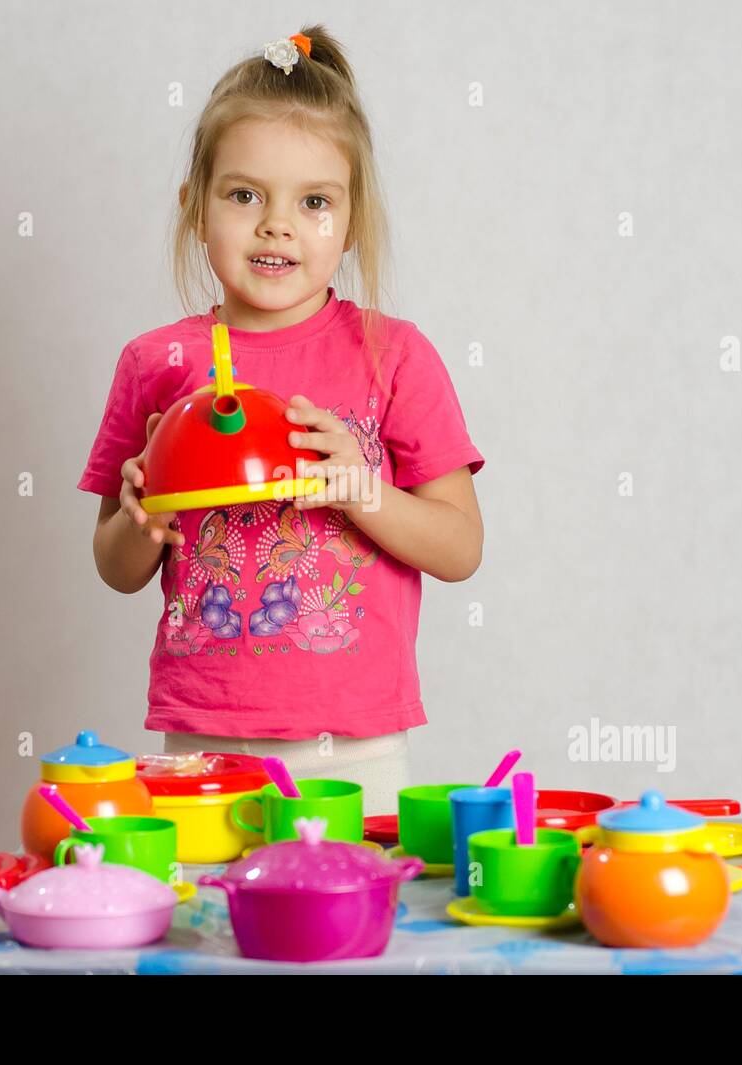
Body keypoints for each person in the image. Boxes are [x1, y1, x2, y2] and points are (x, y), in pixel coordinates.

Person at [78, 26, 485, 816]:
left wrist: (361, 491)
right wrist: (139, 518)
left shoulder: (393, 356)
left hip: (357, 743)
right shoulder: (156, 362)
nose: (276, 224)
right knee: (204, 901)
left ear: (352, 222)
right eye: (244, 195)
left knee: (346, 900)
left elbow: (461, 546)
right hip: (201, 737)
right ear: (197, 210)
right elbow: (115, 566)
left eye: (314, 202)